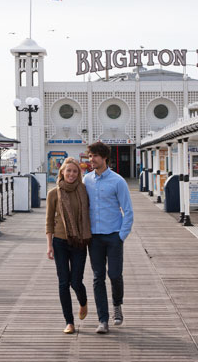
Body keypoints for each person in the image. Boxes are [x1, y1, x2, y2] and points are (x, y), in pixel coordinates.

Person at [83, 142, 134, 334]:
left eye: (95, 156)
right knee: (98, 278)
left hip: (113, 235)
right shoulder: (86, 180)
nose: (91, 160)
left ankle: (117, 305)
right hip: (94, 237)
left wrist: (121, 236)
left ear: (104, 158)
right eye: (90, 156)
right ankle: (103, 320)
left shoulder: (118, 181)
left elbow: (128, 211)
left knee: (114, 275)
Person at [45, 157, 92, 334]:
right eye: (68, 171)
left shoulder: (84, 191)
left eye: (75, 171)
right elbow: (49, 221)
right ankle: (69, 322)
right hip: (60, 241)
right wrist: (49, 246)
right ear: (62, 172)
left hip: (80, 241)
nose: (71, 174)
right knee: (63, 282)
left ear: (78, 174)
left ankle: (83, 301)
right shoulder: (53, 193)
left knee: (76, 281)